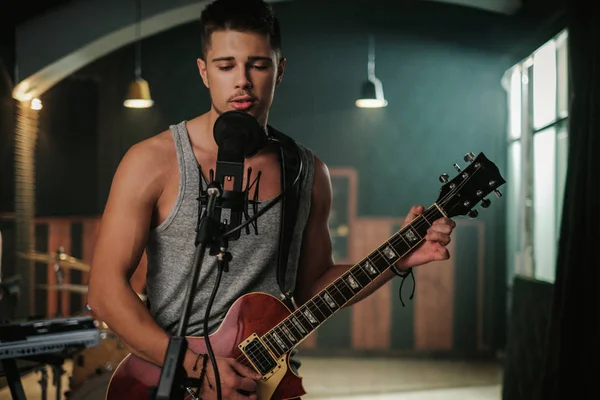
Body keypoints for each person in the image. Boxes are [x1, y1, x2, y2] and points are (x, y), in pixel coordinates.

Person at [87, 0, 456, 399]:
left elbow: (312, 286)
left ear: (279, 69)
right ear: (204, 72)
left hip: (267, 383)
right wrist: (199, 368)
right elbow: (105, 292)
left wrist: (395, 259)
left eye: (258, 65)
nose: (242, 81)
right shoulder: (151, 161)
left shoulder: (308, 172)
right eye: (226, 66)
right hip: (172, 381)